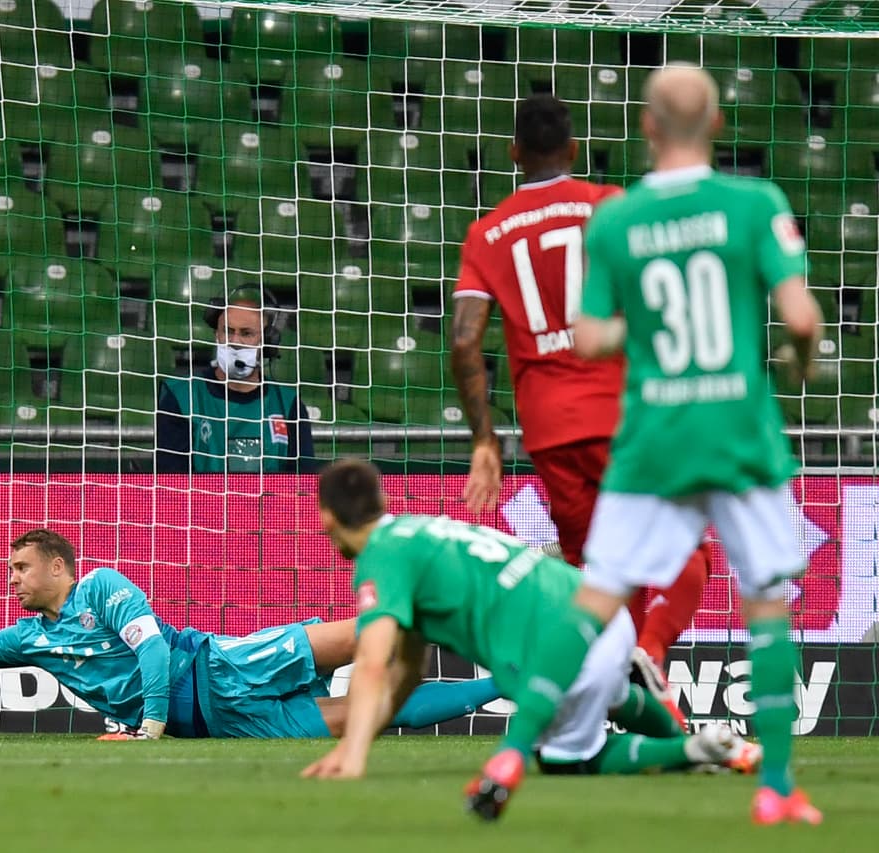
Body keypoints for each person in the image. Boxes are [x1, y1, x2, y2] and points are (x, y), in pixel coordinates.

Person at [470, 65, 824, 825]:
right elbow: (799, 321)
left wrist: (655, 334)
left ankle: (512, 751)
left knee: (593, 594)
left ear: (648, 128)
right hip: (738, 430)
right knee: (764, 601)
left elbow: (591, 334)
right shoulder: (754, 202)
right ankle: (779, 787)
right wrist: (801, 359)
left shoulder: (620, 224)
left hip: (647, 430)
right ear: (720, 124)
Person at [300, 459, 759, 793]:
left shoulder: (380, 558)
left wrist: (354, 754)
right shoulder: (419, 531)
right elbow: (408, 670)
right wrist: (361, 739)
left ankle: (696, 750)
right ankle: (689, 738)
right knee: (609, 695)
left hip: (559, 648)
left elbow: (374, 662)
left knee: (568, 760)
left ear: (326, 516)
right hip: (600, 610)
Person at [450, 92, 710, 680]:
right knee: (686, 551)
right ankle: (655, 653)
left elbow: (465, 339)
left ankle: (629, 694)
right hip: (621, 417)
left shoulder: (487, 234)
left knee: (601, 568)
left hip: (547, 431)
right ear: (572, 148)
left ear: (514, 153)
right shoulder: (610, 206)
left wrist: (485, 441)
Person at [0, 528, 500, 740]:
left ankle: (481, 605)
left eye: (22, 566)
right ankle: (509, 684)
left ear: (59, 564)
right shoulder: (29, 637)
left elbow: (150, 647)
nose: (13, 579)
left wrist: (148, 723)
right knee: (372, 714)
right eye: (10, 570)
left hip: (221, 669)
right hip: (223, 725)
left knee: (360, 637)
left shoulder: (103, 586)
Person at [156, 286, 315, 473]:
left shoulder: (289, 405)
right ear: (217, 335)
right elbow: (171, 485)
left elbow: (304, 485)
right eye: (228, 331)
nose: (235, 341)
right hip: (202, 502)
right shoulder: (181, 396)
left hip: (270, 502)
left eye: (246, 333)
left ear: (267, 341)